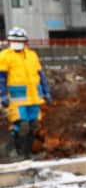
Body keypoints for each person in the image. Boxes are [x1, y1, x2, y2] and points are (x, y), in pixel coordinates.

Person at [0, 27, 50, 159]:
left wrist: (46, 92)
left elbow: (41, 75)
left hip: (34, 97)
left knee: (33, 125)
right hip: (16, 99)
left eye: (20, 40)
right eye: (14, 40)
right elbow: (1, 78)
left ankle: (27, 154)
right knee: (23, 126)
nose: (17, 43)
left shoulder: (32, 55)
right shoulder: (5, 56)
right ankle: (18, 151)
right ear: (9, 41)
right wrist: (3, 95)